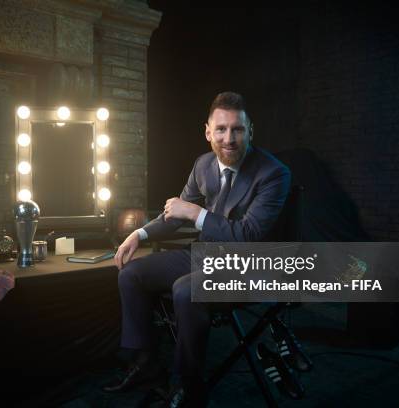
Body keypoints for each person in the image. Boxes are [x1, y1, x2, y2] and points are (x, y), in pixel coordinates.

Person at [105, 92, 291, 407]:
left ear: (250, 131)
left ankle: (187, 385)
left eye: (237, 129)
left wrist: (195, 213)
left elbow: (247, 235)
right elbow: (173, 215)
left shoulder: (273, 173)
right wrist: (140, 233)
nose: (229, 138)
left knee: (184, 289)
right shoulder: (203, 164)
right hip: (205, 255)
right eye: (221, 129)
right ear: (208, 131)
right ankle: (146, 364)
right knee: (131, 274)